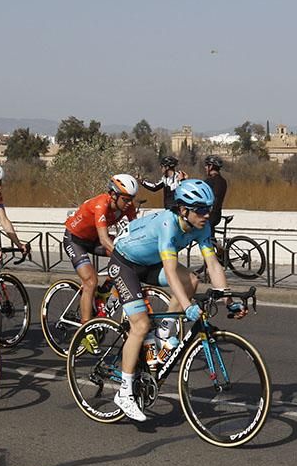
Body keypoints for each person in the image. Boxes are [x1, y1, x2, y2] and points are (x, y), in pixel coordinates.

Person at [106, 179, 246, 421]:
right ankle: (125, 392)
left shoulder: (202, 227)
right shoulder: (167, 225)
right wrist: (188, 306)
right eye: (201, 209)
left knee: (191, 280)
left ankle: (163, 334)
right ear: (183, 210)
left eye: (209, 209)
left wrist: (228, 299)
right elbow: (170, 273)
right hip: (125, 263)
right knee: (140, 325)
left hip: (149, 263)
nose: (206, 214)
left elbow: (213, 264)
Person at [63, 174, 139, 324]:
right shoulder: (100, 204)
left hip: (93, 239)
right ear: (113, 195)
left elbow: (136, 231)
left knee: (124, 251)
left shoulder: (127, 207)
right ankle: (84, 330)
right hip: (75, 240)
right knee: (90, 281)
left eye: (131, 199)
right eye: (125, 199)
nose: (129, 204)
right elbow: (104, 240)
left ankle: (104, 290)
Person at [203, 155, 228, 239]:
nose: (205, 167)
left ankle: (215, 246)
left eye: (207, 165)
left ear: (211, 166)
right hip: (217, 214)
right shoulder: (223, 181)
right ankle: (215, 245)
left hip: (209, 215)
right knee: (210, 237)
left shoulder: (209, 181)